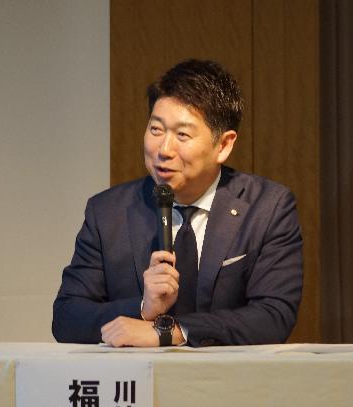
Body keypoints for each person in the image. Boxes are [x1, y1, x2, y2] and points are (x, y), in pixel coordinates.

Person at [52, 59, 303, 347]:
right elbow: (67, 318)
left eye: (182, 135)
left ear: (223, 145)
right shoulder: (108, 212)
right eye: (156, 130)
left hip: (229, 374)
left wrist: (171, 331)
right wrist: (143, 307)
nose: (164, 149)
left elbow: (273, 316)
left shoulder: (267, 208)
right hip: (138, 376)